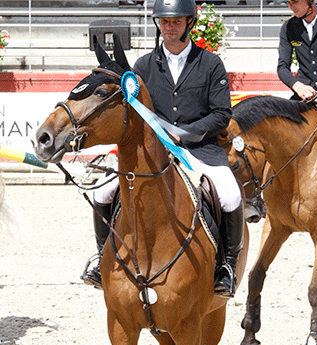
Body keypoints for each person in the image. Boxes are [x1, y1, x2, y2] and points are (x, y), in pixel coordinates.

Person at [81, 0, 244, 298]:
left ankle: (227, 267)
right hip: (152, 151)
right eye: (165, 22)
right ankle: (101, 258)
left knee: (231, 194)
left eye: (176, 22)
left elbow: (222, 113)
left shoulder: (210, 63)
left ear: (189, 24)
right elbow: (132, 110)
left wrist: (185, 133)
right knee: (101, 191)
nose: (169, 27)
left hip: (200, 150)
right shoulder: (143, 65)